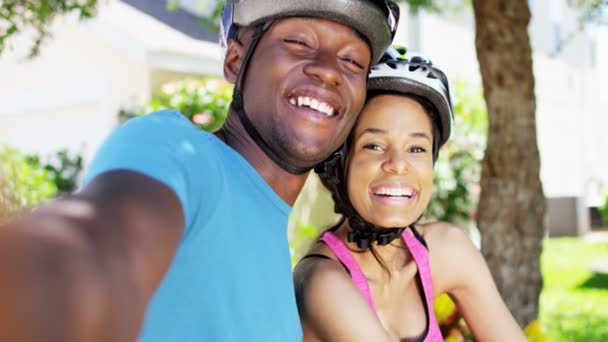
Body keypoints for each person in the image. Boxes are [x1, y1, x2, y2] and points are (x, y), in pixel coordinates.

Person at [0, 1, 401, 341]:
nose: (328, 70)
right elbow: (90, 249)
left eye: (352, 61)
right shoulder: (177, 151)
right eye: (299, 43)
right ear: (235, 60)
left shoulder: (284, 268)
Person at [294, 48, 526, 342]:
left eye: (416, 149)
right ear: (339, 162)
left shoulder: (447, 249)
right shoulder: (323, 282)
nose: (398, 165)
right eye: (374, 145)